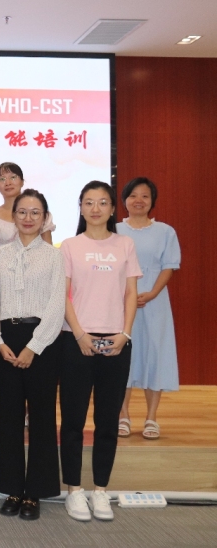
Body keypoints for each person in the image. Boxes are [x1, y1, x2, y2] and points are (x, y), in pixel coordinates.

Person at [60, 181, 141, 522]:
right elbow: (63, 295)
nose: (95, 208)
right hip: (76, 340)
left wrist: (124, 333)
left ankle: (101, 490)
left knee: (107, 421)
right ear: (80, 207)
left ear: (111, 208)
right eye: (89, 202)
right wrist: (80, 334)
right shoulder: (69, 246)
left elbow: (130, 293)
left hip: (116, 342)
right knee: (73, 421)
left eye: (102, 202)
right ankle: (74, 490)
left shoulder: (125, 244)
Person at [0, 189, 65, 521]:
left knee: (42, 417)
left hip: (42, 343)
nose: (28, 218)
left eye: (36, 212)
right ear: (14, 216)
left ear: (45, 218)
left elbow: (56, 306)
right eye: (22, 212)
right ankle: (11, 489)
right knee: (8, 416)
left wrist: (34, 347)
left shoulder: (54, 256)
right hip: (5, 341)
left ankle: (35, 491)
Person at [117, 178, 181, 440]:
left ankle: (151, 417)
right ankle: (122, 415)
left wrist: (153, 293)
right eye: (133, 195)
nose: (138, 201)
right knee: (123, 357)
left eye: (145, 196)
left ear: (152, 201)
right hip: (121, 302)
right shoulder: (115, 230)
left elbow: (169, 265)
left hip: (155, 303)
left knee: (155, 355)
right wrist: (126, 295)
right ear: (124, 200)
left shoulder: (165, 231)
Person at [0, 163, 56, 265]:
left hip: (35, 267)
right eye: (2, 179)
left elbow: (48, 249)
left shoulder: (39, 213)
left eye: (13, 177)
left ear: (22, 182)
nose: (8, 183)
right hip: (3, 268)